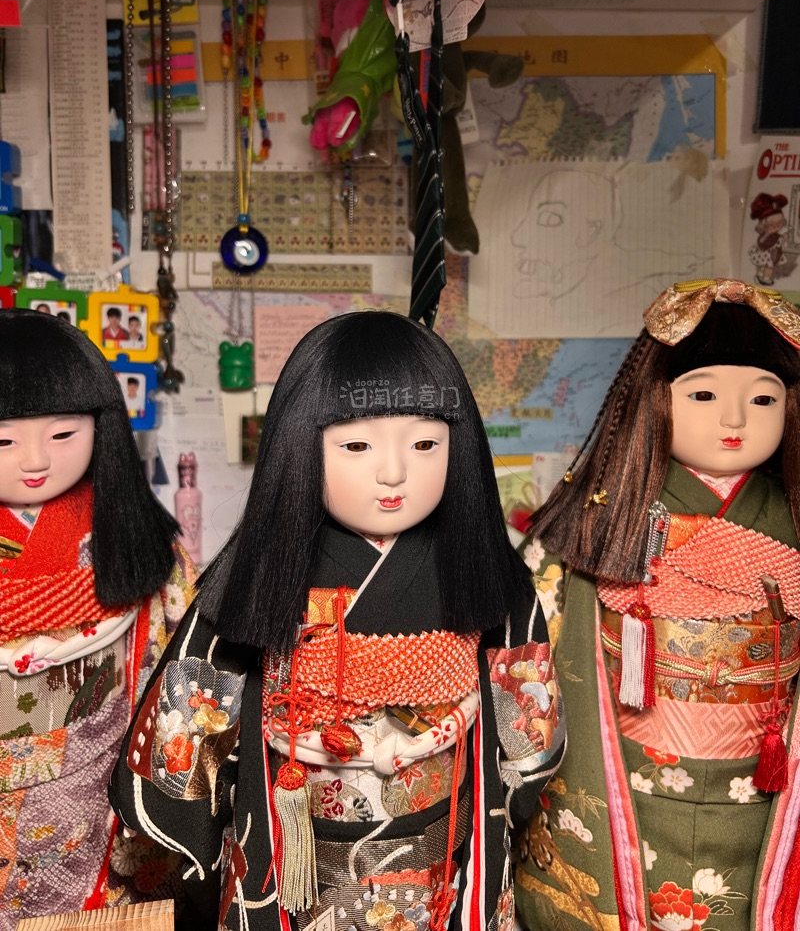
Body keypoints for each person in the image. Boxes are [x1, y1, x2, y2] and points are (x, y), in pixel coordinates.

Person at [110, 310, 564, 931]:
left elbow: (526, 726)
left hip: (442, 859)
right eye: (356, 445)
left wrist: (511, 775)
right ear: (301, 446)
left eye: (425, 444)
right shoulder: (265, 570)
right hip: (298, 853)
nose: (394, 472)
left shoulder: (479, 567)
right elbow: (192, 718)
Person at [514, 279, 800, 931]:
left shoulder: (791, 519)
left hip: (761, 792)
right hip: (629, 782)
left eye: (763, 398)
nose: (735, 420)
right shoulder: (601, 520)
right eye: (703, 395)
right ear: (654, 399)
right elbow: (523, 649)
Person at [0, 309, 196, 925]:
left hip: (98, 794)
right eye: (4, 440)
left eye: (63, 434)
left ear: (101, 425)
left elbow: (181, 664)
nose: (35, 459)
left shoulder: (131, 537)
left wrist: (167, 795)